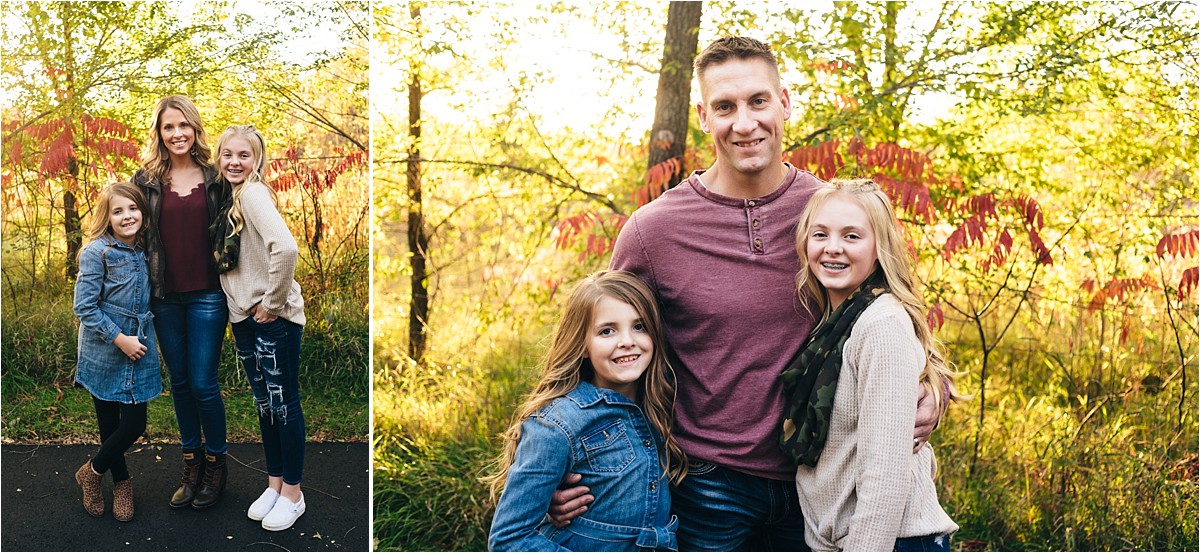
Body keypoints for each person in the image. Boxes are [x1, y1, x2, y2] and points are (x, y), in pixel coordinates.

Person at [549, 37, 945, 550]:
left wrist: (931, 386)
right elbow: (602, 353)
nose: (744, 123)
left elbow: (894, 310)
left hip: (822, 481)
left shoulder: (831, 216)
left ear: (784, 101)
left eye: (758, 101)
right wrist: (568, 462)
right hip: (708, 486)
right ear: (702, 115)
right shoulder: (654, 231)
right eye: (724, 107)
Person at [782, 179, 961, 551]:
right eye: (821, 234)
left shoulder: (881, 326)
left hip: (888, 541)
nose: (833, 248)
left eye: (852, 237)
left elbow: (885, 477)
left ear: (880, 248)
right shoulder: (834, 322)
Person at [486, 271, 686, 551]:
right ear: (581, 345)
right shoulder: (557, 424)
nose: (627, 340)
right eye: (607, 330)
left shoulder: (659, 403)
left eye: (639, 326)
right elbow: (509, 538)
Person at [132, 95, 232, 510]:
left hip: (209, 294)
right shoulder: (146, 179)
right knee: (180, 383)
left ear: (195, 128)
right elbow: (128, 228)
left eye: (183, 126)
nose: (177, 134)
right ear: (159, 133)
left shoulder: (217, 176)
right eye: (168, 127)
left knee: (204, 383)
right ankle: (190, 462)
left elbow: (239, 231)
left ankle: (215, 465)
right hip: (165, 297)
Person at [214, 125, 309, 531]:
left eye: (244, 155)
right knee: (265, 406)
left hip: (273, 321)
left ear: (257, 160)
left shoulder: (252, 193)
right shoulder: (229, 197)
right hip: (247, 320)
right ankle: (273, 484)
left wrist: (272, 303)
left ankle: (293, 493)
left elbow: (285, 247)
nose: (234, 162)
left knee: (283, 405)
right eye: (227, 155)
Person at [72, 182, 161, 522]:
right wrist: (119, 337)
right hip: (104, 349)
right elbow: (85, 307)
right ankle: (121, 482)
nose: (127, 216)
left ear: (143, 212)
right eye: (118, 211)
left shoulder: (146, 248)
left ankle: (90, 472)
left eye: (133, 209)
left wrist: (132, 339)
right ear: (106, 218)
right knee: (109, 423)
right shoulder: (97, 252)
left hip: (139, 347)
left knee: (135, 422)